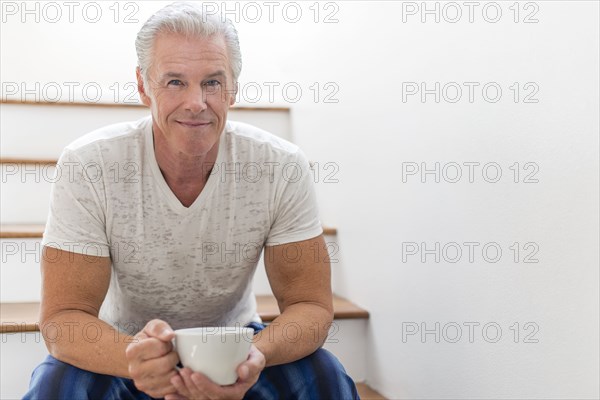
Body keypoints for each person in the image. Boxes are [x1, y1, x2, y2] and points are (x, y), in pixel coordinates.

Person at [23, 2, 358, 399]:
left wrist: (251, 357)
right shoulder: (89, 165)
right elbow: (63, 319)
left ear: (233, 88)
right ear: (143, 83)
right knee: (55, 386)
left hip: (238, 346)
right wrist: (136, 359)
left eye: (213, 82)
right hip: (127, 348)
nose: (197, 102)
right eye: (175, 82)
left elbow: (311, 305)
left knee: (326, 375)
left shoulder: (280, 165)